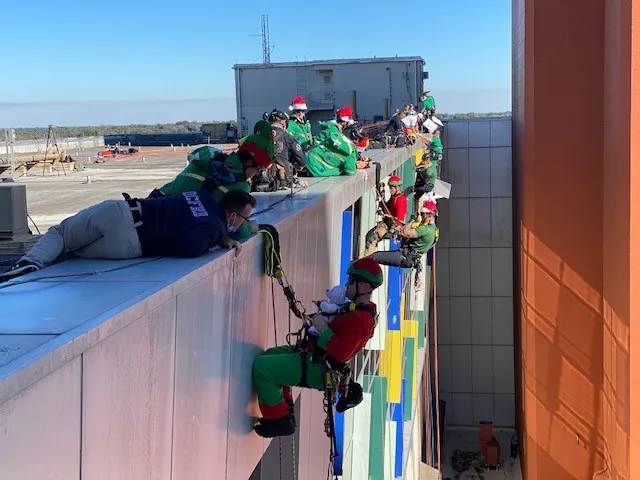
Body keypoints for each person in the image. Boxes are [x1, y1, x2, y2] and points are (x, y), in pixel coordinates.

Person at [1, 190, 258, 282]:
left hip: (121, 210)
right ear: (233, 216)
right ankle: (35, 271)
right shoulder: (215, 227)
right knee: (73, 253)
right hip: (130, 244)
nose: (243, 224)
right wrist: (217, 241)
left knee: (61, 233)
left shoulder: (200, 196)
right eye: (244, 219)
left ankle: (29, 264)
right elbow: (189, 248)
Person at [252, 257, 384, 438]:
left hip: (319, 366)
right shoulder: (359, 309)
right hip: (315, 355)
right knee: (269, 355)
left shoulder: (361, 319)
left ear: (365, 288)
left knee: (262, 367)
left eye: (351, 282)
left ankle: (278, 420)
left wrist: (322, 328)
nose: (346, 286)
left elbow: (341, 351)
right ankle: (285, 407)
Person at [148, 121, 274, 201]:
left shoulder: (212, 157)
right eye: (259, 169)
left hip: (155, 202)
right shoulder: (239, 185)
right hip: (172, 221)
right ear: (248, 163)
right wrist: (250, 228)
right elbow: (232, 225)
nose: (257, 174)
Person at [367, 200, 439, 268]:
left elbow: (403, 232)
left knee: (375, 257)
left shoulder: (425, 229)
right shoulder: (435, 232)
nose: (421, 216)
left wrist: (412, 221)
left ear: (430, 215)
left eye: (422, 214)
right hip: (411, 258)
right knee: (375, 257)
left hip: (405, 256)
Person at [251, 109, 307, 192]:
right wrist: (299, 166)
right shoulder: (287, 136)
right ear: (283, 122)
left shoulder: (257, 136)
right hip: (281, 181)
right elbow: (302, 161)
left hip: (258, 179)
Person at [302, 106, 359, 177]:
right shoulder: (333, 131)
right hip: (316, 163)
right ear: (345, 122)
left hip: (311, 159)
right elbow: (350, 169)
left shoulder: (331, 128)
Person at [363, 175, 408, 256]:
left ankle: (367, 261)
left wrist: (392, 231)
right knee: (369, 236)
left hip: (389, 226)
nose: (390, 190)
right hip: (386, 223)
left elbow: (400, 219)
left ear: (397, 188)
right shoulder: (394, 197)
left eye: (391, 188)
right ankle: (368, 259)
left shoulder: (400, 200)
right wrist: (382, 203)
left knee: (371, 240)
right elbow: (387, 209)